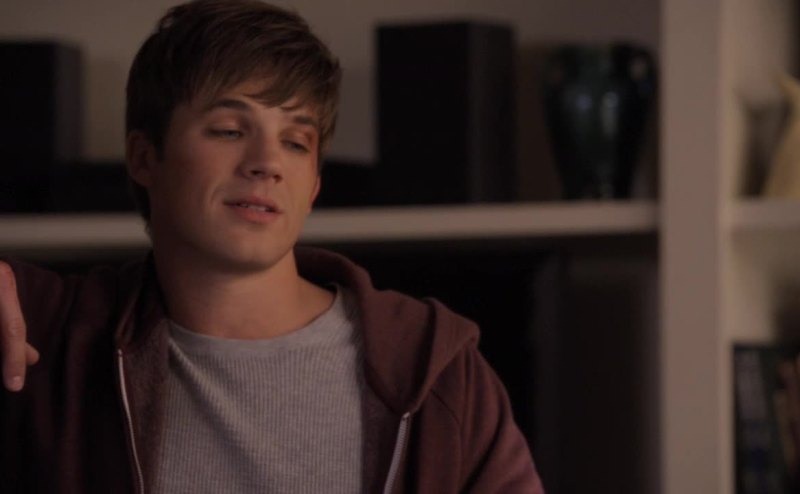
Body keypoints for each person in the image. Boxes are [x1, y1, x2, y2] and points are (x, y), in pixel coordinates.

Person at [0, 0, 544, 492]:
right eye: (229, 130)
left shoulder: (437, 373)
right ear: (144, 158)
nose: (268, 162)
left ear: (314, 185)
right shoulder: (49, 337)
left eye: (296, 141)